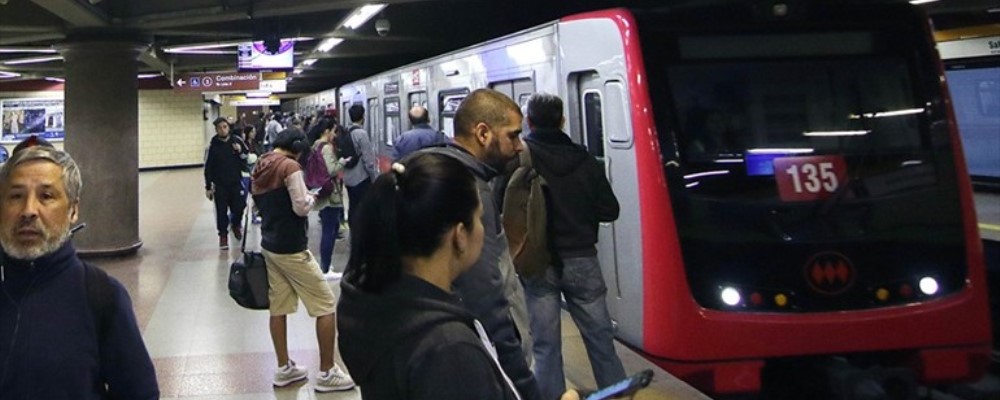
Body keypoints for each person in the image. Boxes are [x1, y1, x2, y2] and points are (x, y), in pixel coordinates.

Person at [338, 153, 581, 400]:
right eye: (479, 218)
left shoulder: (374, 303)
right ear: (460, 235)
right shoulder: (448, 350)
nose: (483, 229)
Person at [0, 145, 159, 399]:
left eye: (46, 196)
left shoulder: (101, 296)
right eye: (16, 196)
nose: (28, 210)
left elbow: (139, 393)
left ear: (73, 210)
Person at [417, 88, 540, 400]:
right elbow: (485, 294)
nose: (519, 146)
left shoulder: (433, 173)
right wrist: (523, 385)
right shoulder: (471, 191)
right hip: (475, 354)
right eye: (513, 135)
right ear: (483, 133)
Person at [517, 93, 626, 400]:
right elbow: (610, 210)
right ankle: (617, 395)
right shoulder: (585, 160)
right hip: (582, 259)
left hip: (540, 261)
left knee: (545, 344)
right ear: (562, 120)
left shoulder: (522, 158)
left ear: (529, 122)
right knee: (601, 340)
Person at [251, 128, 355, 392]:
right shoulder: (289, 166)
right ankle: (327, 372)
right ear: (296, 147)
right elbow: (300, 207)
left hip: (270, 244)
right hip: (292, 248)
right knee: (326, 304)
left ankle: (284, 368)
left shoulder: (262, 163)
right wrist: (312, 196)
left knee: (279, 307)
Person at [311, 119, 349, 279]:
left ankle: (325, 265)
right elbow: (331, 170)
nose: (335, 134)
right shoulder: (326, 147)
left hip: (323, 191)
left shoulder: (316, 145)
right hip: (330, 194)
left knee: (329, 228)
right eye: (333, 131)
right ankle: (325, 268)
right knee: (330, 230)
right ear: (327, 131)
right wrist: (342, 162)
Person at [204, 116, 249, 250]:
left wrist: (240, 152)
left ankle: (236, 224)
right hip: (220, 185)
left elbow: (246, 158)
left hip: (235, 181)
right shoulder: (213, 146)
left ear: (229, 128)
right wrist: (208, 186)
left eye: (225, 127)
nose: (222, 130)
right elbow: (208, 168)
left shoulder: (237, 141)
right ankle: (223, 235)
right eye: (219, 128)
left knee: (239, 206)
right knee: (221, 211)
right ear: (216, 130)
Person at [343, 104, 378, 229]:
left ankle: (353, 230)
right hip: (361, 178)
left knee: (353, 206)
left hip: (348, 178)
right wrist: (375, 177)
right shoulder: (361, 134)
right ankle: (361, 232)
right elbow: (368, 160)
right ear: (363, 117)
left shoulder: (346, 131)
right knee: (362, 207)